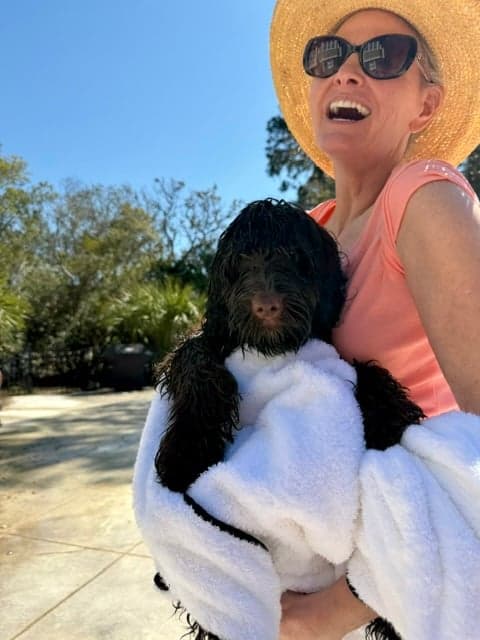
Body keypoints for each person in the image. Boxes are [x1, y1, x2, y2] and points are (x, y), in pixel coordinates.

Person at [269, 0, 480, 637]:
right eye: (329, 57)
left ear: (427, 105)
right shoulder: (304, 232)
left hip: (400, 594)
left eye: (385, 56)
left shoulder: (426, 198)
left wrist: (335, 611)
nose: (349, 72)